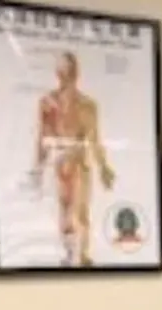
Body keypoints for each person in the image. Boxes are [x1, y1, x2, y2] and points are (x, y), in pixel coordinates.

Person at [31, 51, 115, 267]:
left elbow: (94, 139)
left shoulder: (87, 105)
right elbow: (43, 136)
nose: (66, 75)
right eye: (63, 70)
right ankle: (70, 256)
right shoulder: (48, 103)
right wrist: (38, 168)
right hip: (61, 162)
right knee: (65, 209)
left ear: (75, 73)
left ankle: (83, 256)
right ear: (58, 73)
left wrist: (104, 166)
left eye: (69, 70)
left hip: (79, 162)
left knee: (80, 211)